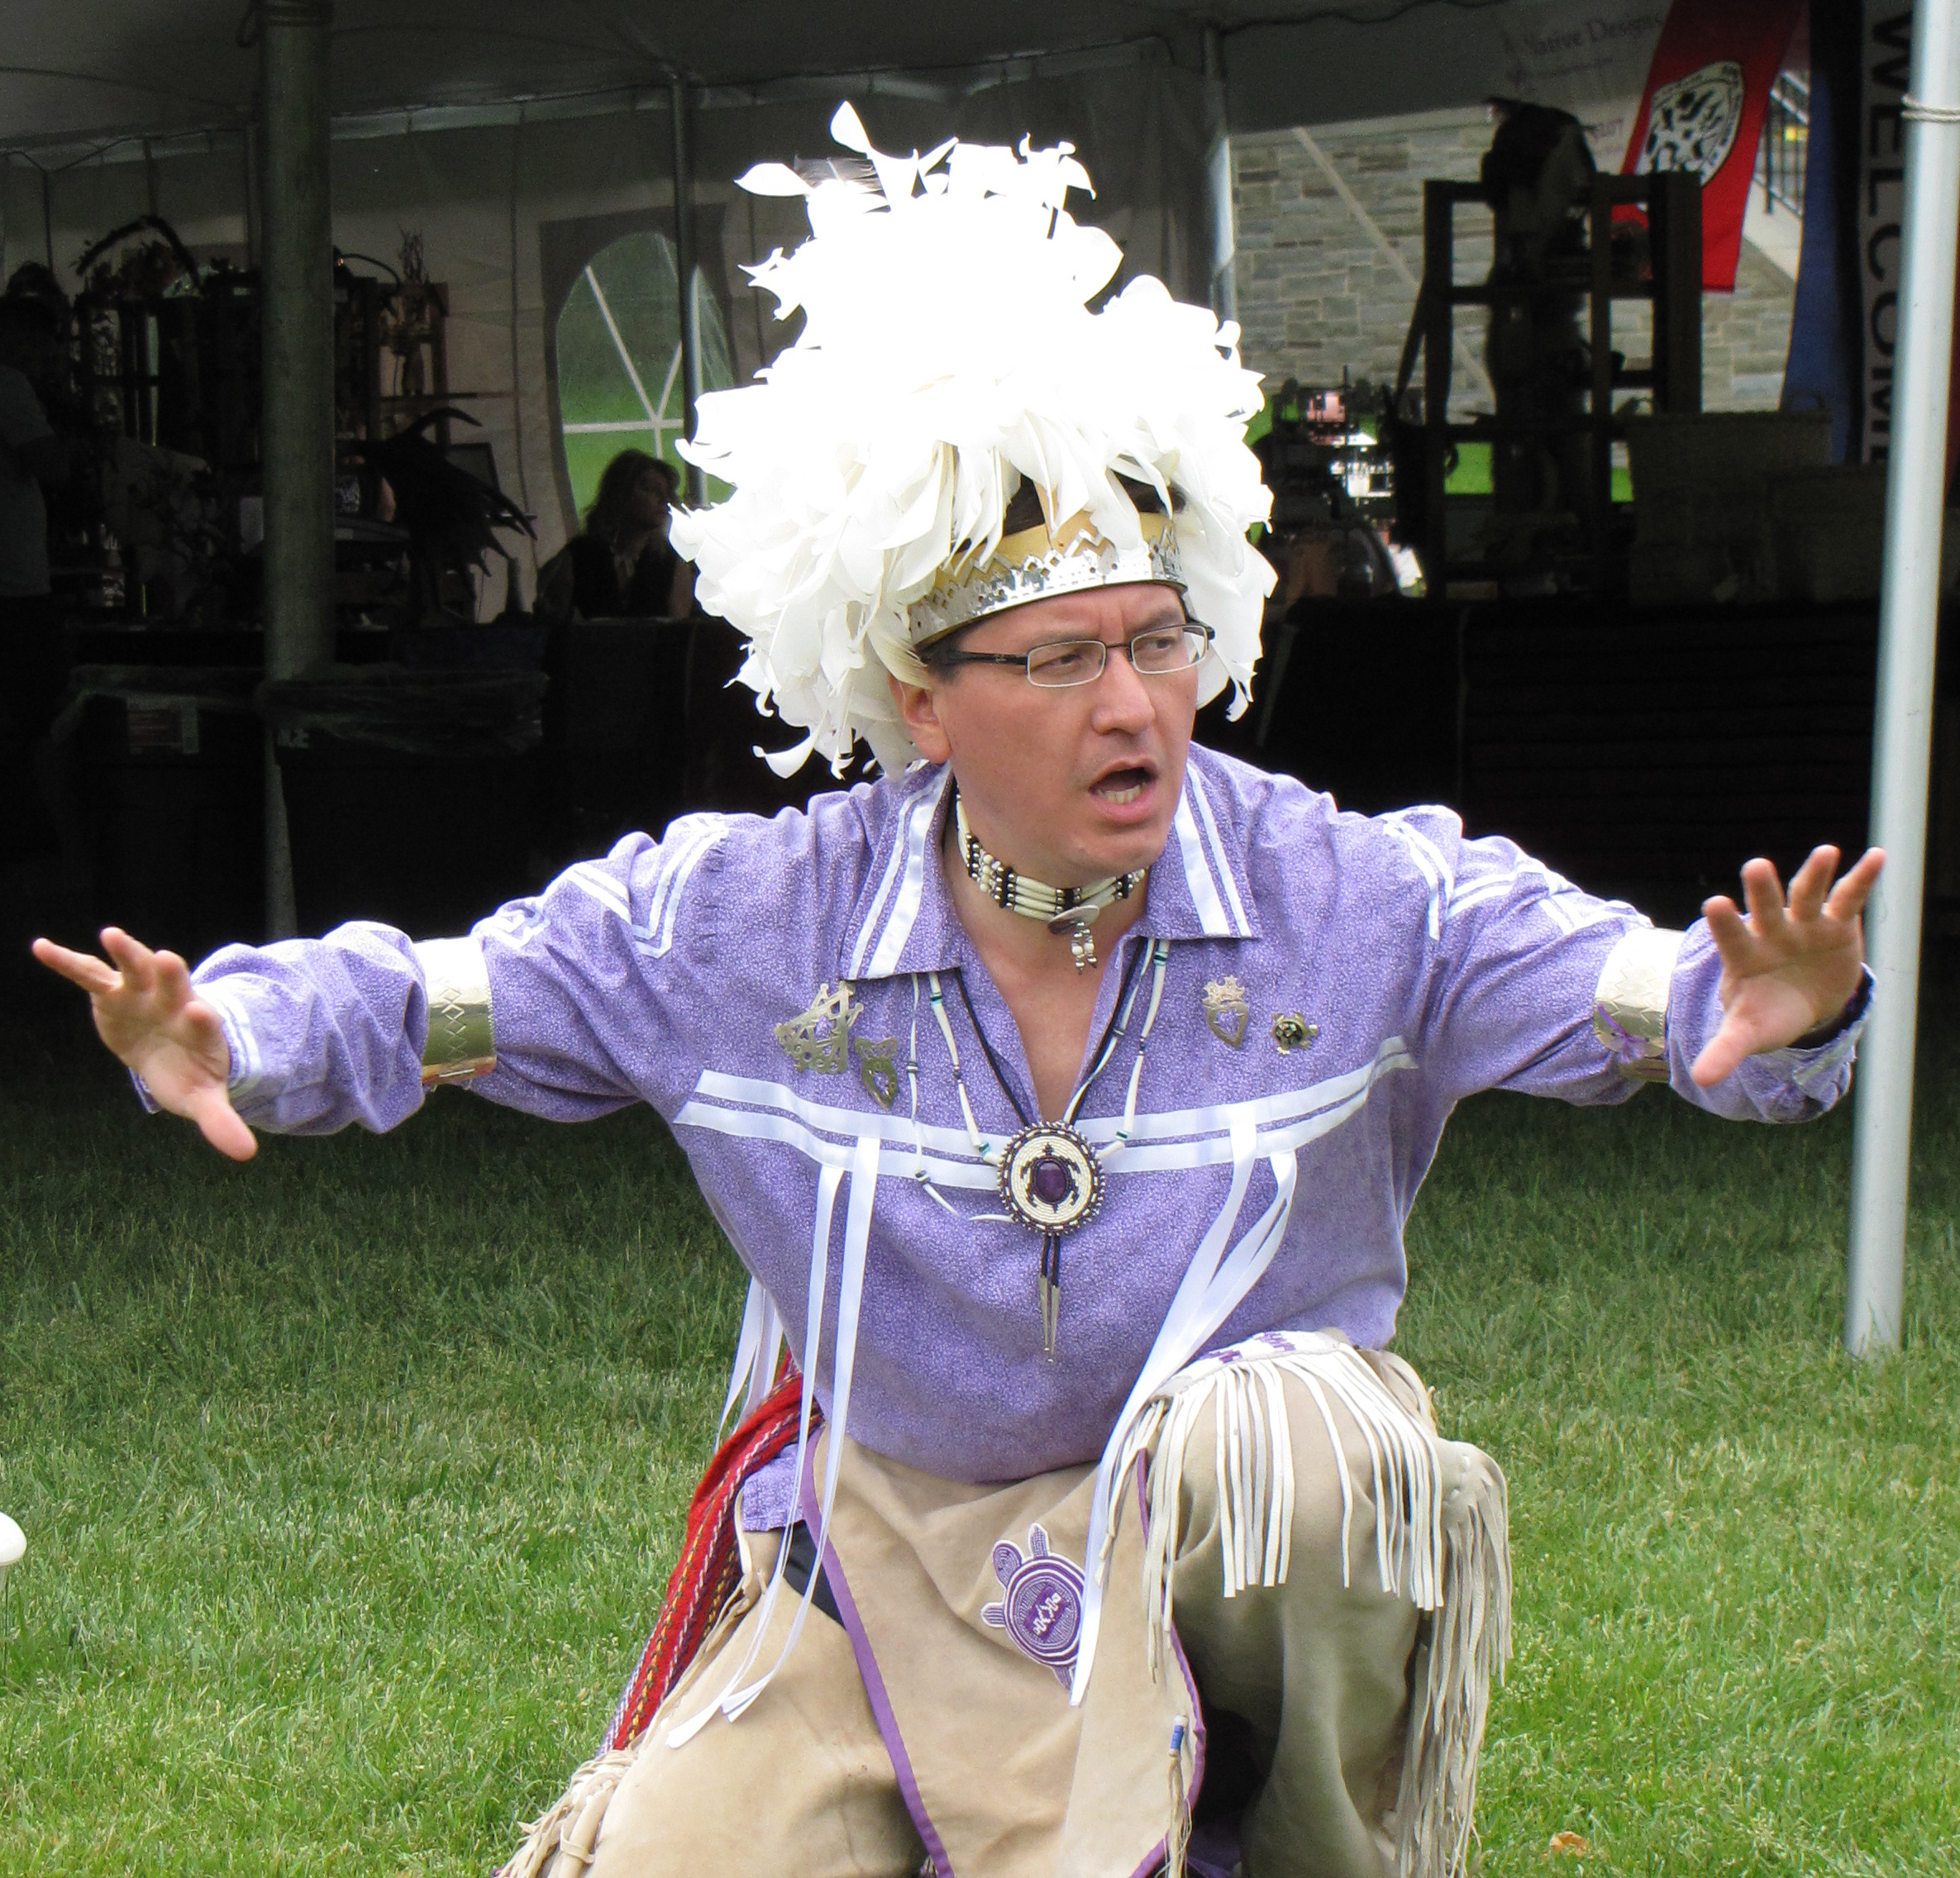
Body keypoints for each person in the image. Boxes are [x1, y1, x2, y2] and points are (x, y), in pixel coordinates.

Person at [36, 108, 1881, 1878]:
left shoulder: (1342, 886)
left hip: (1207, 1532)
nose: (1134, 700)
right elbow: (480, 983)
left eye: (1160, 639)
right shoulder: (752, 919)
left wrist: (1737, 1012)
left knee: (1302, 1452)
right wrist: (245, 1031)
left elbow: (1598, 972)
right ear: (921, 703)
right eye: (1063, 656)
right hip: (881, 1559)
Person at [536, 449, 694, 621]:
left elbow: (679, 632)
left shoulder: (671, 564)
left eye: (667, 493)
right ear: (620, 493)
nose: (664, 499)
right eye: (650, 489)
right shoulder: (579, 557)